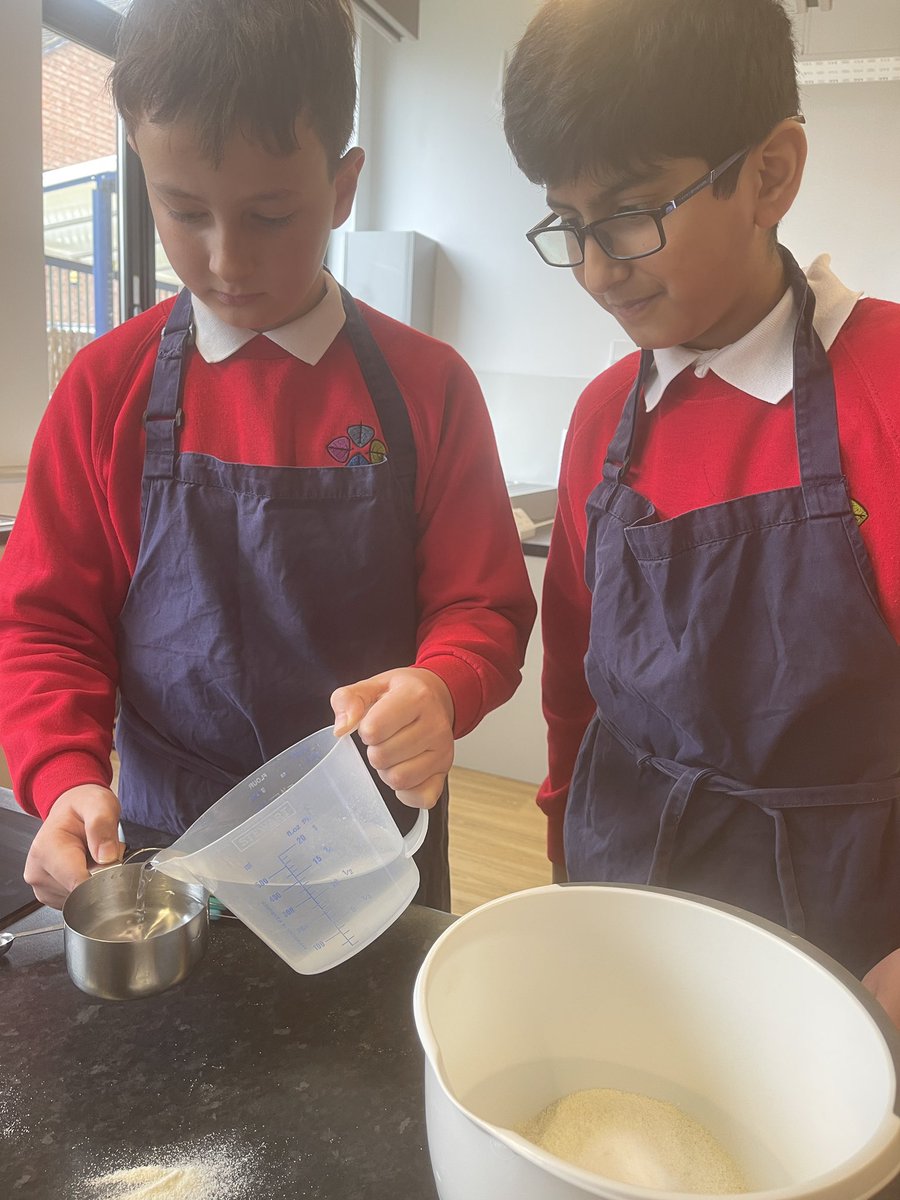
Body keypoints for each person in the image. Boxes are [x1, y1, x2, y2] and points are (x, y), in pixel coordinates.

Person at [0, 0, 535, 914]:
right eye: (182, 210)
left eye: (270, 214)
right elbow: (47, 627)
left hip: (372, 844)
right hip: (166, 849)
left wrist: (441, 686)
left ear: (341, 185)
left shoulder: (428, 387)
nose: (224, 257)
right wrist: (63, 779)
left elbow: (481, 603)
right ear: (142, 169)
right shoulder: (104, 390)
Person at [502, 0, 900, 1022]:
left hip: (843, 947)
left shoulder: (885, 391)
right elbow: (575, 689)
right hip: (629, 911)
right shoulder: (604, 419)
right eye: (569, 224)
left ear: (770, 172)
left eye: (631, 214)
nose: (596, 268)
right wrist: (563, 851)